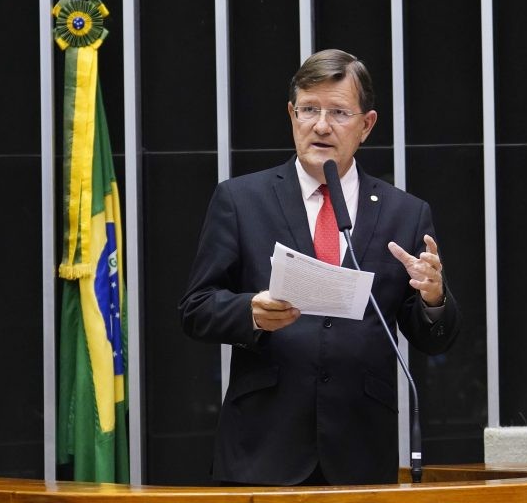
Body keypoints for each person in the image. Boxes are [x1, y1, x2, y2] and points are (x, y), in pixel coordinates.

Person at [179, 49, 460, 486]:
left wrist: (434, 297)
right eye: (309, 109)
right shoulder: (241, 200)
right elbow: (196, 308)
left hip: (361, 450)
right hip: (264, 447)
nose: (321, 125)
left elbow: (432, 338)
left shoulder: (404, 213)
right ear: (292, 115)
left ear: (366, 125)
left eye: (339, 112)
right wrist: (250, 311)